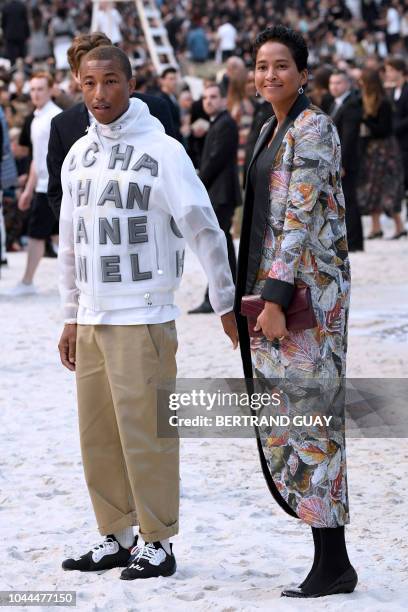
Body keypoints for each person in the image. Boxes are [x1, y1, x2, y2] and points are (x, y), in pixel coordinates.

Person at [57, 45, 238, 579]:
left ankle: (158, 541)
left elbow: (204, 226)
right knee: (98, 434)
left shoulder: (163, 151)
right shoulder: (76, 156)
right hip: (92, 317)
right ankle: (115, 533)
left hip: (145, 314)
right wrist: (69, 314)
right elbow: (71, 241)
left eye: (110, 81)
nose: (98, 94)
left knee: (148, 433)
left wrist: (224, 301)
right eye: (89, 83)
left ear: (131, 84)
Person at [234, 25, 357, 598]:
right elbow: (258, 220)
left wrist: (276, 300)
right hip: (276, 293)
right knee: (292, 425)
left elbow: (298, 219)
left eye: (281, 65)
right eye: (261, 65)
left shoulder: (313, 128)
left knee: (313, 424)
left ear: (304, 74)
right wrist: (249, 300)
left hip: (308, 297)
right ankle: (331, 561)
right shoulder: (268, 128)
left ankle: (334, 563)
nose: (269, 75)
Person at [47, 33, 176, 221]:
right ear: (77, 76)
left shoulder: (155, 109)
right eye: (90, 75)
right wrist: (82, 231)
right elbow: (58, 190)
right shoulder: (62, 125)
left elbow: (173, 175)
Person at [189, 83, 241, 313]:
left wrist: (197, 184)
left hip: (221, 194)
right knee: (222, 244)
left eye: (213, 97)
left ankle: (218, 296)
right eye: (205, 97)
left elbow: (215, 161)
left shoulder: (226, 123)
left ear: (223, 100)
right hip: (218, 193)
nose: (208, 101)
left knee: (217, 245)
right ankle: (230, 292)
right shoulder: (216, 124)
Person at [9, 72, 61, 295]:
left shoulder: (55, 117)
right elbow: (36, 159)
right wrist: (28, 190)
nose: (36, 93)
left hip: (53, 186)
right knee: (56, 235)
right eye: (33, 89)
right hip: (41, 185)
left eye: (41, 89)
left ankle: (27, 281)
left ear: (50, 90)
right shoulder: (36, 118)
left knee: (37, 235)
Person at [357, 68, 406, 239]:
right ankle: (376, 228)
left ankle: (399, 227)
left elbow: (384, 130)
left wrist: (364, 119)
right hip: (372, 151)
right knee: (372, 189)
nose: (359, 84)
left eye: (362, 81)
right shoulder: (364, 100)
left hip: (385, 151)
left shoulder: (383, 102)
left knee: (388, 189)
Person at [329, 70, 364, 251]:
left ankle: (355, 241)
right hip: (339, 160)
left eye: (338, 83)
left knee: (349, 200)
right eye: (332, 83)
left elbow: (348, 138)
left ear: (347, 84)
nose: (334, 86)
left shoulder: (350, 105)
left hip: (347, 162)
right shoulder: (335, 104)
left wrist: (340, 163)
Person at [384, 57, 408, 197]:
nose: (388, 74)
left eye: (391, 70)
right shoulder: (391, 91)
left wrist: (396, 127)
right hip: (395, 140)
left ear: (400, 71)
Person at [159, 67, 183, 142]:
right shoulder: (160, 99)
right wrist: (180, 129)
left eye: (175, 79)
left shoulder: (173, 96)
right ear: (162, 81)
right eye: (171, 79)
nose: (174, 82)